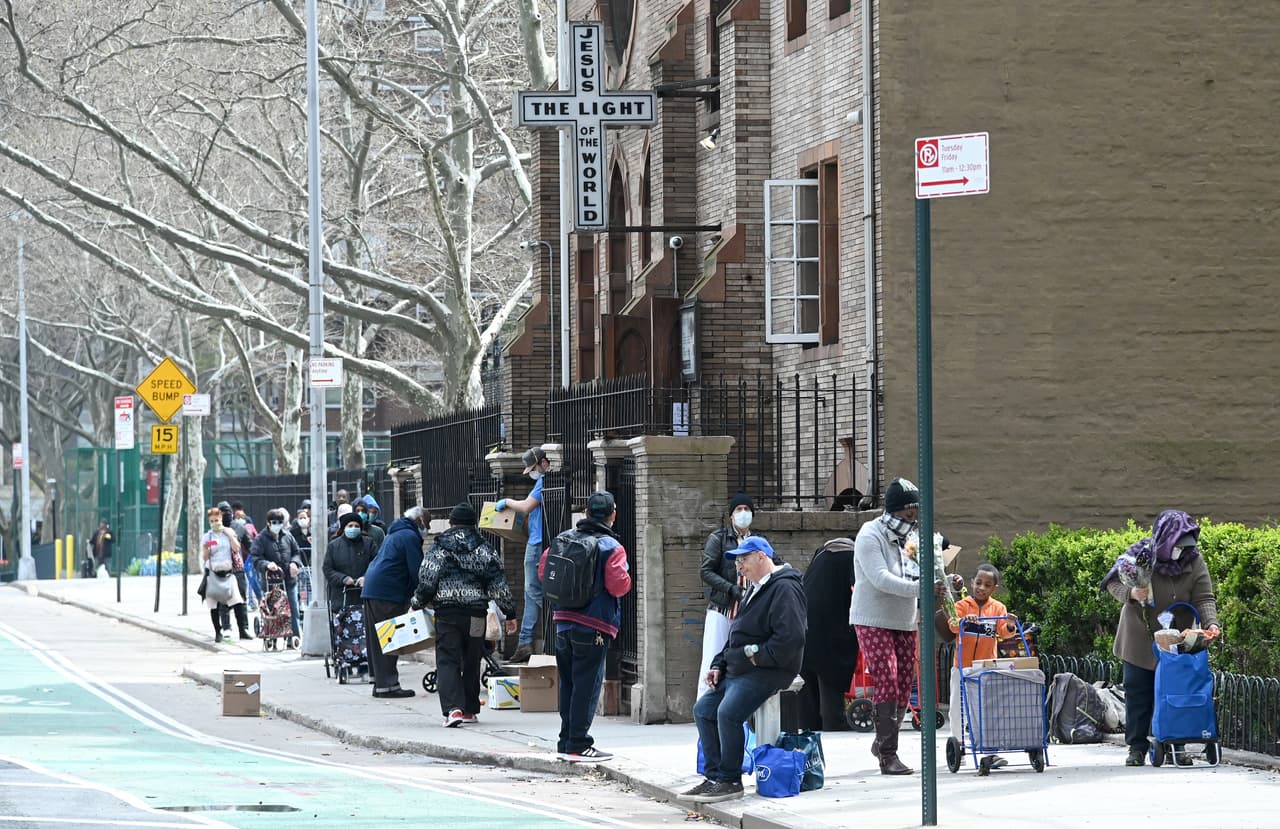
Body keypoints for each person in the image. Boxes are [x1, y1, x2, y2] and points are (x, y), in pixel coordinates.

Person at [682, 536, 806, 803]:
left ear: (762, 556)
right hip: (741, 667)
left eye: (743, 559)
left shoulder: (784, 588)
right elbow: (735, 635)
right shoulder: (754, 587)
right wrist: (719, 664)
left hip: (767, 670)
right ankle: (714, 776)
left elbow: (790, 640)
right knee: (703, 710)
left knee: (728, 713)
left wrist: (752, 657)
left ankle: (730, 779)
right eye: (737, 560)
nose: (739, 566)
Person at [1102, 509, 1219, 766]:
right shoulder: (1142, 555)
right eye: (1178, 545)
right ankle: (1136, 747)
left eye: (1186, 546)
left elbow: (1204, 597)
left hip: (1175, 639)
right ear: (1166, 539)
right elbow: (1113, 583)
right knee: (1138, 691)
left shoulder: (1194, 561)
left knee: (1175, 692)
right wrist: (1132, 594)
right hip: (1139, 636)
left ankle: (1176, 745)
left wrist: (1211, 623)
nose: (1182, 551)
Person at [536, 491, 632, 761]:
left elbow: (544, 572)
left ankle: (566, 740)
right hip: (594, 625)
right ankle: (579, 743)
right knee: (587, 686)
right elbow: (618, 585)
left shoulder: (563, 540)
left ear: (586, 514)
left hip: (562, 623)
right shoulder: (612, 547)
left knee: (568, 684)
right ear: (613, 515)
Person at [849, 476, 934, 776]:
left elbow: (924, 571)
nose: (912, 521)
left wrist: (943, 582)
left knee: (904, 683)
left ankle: (883, 738)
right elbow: (880, 578)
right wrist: (923, 589)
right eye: (906, 515)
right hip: (872, 617)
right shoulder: (869, 535)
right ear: (892, 511)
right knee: (887, 677)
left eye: (915, 515)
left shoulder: (911, 537)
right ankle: (888, 755)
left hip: (903, 618)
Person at [414, 502, 518, 727]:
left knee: (448, 659)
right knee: (472, 659)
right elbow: (498, 583)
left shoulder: (439, 548)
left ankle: (453, 710)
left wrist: (417, 602)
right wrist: (510, 613)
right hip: (476, 615)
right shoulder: (484, 548)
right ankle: (470, 709)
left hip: (447, 614)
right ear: (473, 523)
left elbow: (427, 579)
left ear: (451, 523)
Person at [942, 563, 1018, 764]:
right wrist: (965, 620)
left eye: (987, 585)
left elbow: (1003, 631)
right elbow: (952, 625)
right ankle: (959, 747)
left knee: (984, 708)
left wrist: (1010, 624)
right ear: (971, 583)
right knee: (957, 709)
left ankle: (987, 750)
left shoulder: (998, 607)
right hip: (961, 665)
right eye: (978, 583)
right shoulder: (962, 605)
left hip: (985, 667)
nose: (981, 588)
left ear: (994, 588)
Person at [360, 505, 428, 699]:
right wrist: (425, 596)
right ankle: (388, 685)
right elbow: (418, 571)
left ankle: (379, 682)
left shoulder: (394, 533)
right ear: (420, 521)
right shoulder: (409, 536)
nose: (427, 529)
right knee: (390, 638)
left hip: (373, 588)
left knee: (377, 639)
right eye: (427, 523)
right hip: (388, 591)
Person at [494, 446, 551, 662]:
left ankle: (554, 613)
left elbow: (527, 506)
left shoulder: (544, 482)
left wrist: (507, 502)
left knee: (531, 589)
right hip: (536, 540)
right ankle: (525, 643)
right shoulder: (542, 482)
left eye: (533, 468)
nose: (532, 472)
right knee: (529, 595)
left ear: (543, 463)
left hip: (537, 544)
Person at [698, 492, 755, 697]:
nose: (743, 513)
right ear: (731, 515)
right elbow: (706, 571)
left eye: (747, 509)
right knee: (713, 658)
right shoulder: (719, 539)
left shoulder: (758, 541)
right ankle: (706, 705)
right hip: (723, 608)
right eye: (738, 510)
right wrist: (732, 589)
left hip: (749, 611)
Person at [798, 536, 858, 731]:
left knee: (809, 680)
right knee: (831, 676)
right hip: (832, 627)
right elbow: (858, 588)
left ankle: (809, 725)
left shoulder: (822, 554)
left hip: (804, 624)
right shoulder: (851, 556)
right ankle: (834, 722)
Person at [252, 508, 304, 644]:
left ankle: (294, 637)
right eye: (274, 522)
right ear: (268, 523)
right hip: (271, 581)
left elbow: (296, 552)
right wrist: (267, 564)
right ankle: (273, 638)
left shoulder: (288, 536)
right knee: (273, 611)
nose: (277, 525)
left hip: (289, 580)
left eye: (280, 522)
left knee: (293, 609)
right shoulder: (261, 539)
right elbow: (256, 558)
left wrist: (294, 563)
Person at [198, 507, 247, 643]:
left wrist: (229, 534)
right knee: (214, 604)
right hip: (213, 574)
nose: (215, 523)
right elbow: (205, 557)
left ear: (221, 519)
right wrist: (207, 547)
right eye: (212, 521)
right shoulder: (208, 537)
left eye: (217, 520)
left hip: (228, 573)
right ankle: (218, 631)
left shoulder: (229, 532)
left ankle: (243, 630)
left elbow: (237, 548)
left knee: (237, 601)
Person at [324, 511, 375, 609]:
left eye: (356, 526)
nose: (353, 528)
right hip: (341, 598)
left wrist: (366, 577)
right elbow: (327, 569)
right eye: (350, 525)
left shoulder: (369, 544)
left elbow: (376, 564)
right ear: (344, 528)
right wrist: (343, 578)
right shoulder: (333, 546)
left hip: (365, 598)